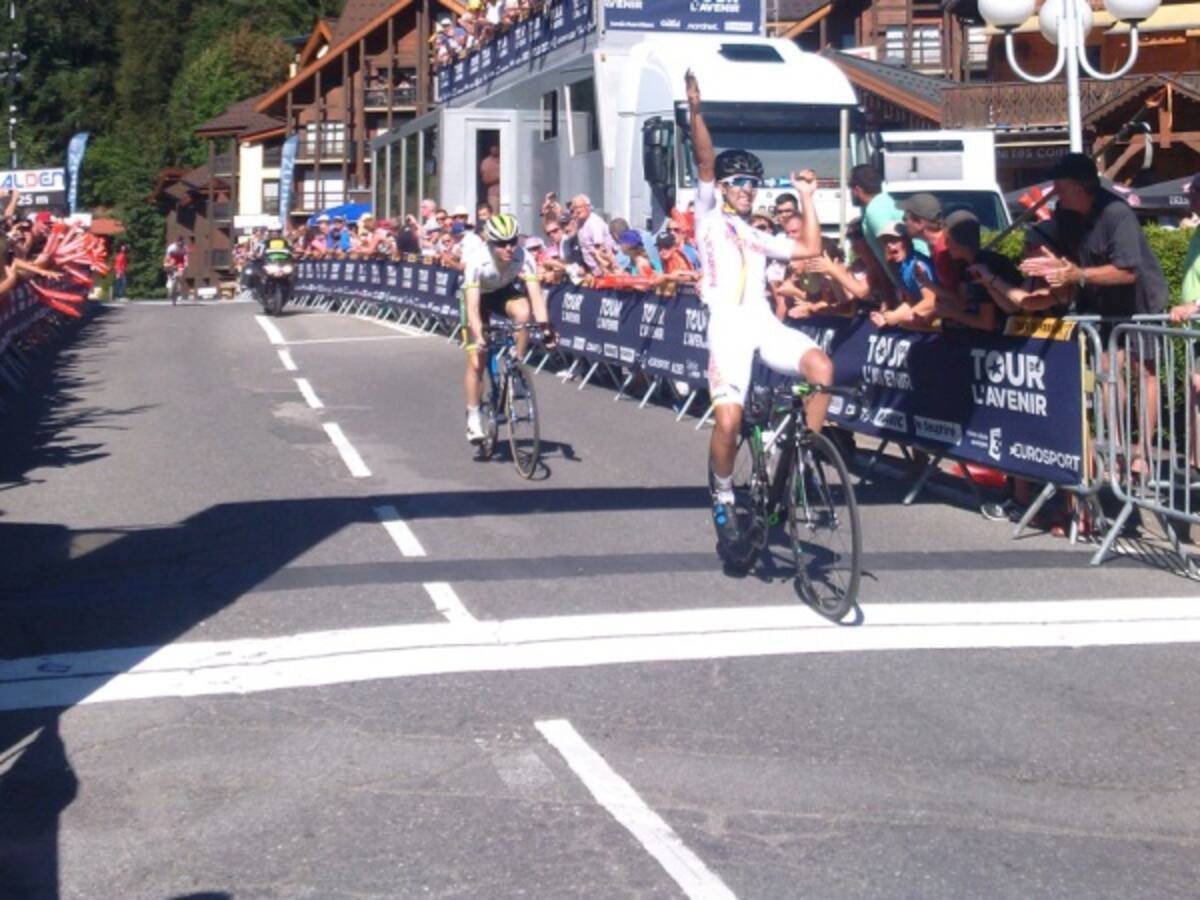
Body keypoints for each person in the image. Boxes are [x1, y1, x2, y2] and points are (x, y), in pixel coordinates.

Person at [693, 144, 830, 560]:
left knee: (821, 368)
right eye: (740, 183)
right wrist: (695, 109)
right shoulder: (708, 218)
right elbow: (703, 158)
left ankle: (795, 463)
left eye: (755, 184)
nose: (749, 190)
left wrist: (807, 197)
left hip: (763, 322)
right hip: (727, 326)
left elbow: (809, 250)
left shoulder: (756, 235)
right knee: (730, 420)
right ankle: (722, 493)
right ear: (722, 187)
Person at [1021, 152, 1169, 479]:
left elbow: (1128, 271)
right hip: (1102, 304)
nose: (1054, 190)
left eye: (1059, 183)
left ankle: (1142, 453)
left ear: (1079, 186)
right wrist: (1049, 263)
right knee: (1105, 370)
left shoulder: (1117, 213)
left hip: (1141, 302)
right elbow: (1059, 253)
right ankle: (1116, 448)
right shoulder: (1067, 214)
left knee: (1143, 371)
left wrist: (1078, 276)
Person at [461, 213, 557, 443]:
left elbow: (536, 297)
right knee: (477, 360)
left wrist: (546, 329)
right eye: (502, 244)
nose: (509, 248)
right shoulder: (477, 260)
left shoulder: (524, 257)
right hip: (477, 299)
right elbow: (472, 309)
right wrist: (480, 336)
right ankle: (473, 418)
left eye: (513, 241)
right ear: (491, 243)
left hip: (502, 292)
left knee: (524, 311)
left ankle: (516, 364)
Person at [868, 222, 938, 328]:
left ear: (907, 241)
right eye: (885, 242)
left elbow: (931, 301)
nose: (889, 245)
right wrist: (887, 318)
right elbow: (912, 301)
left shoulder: (918, 264)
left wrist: (897, 317)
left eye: (894, 240)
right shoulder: (900, 267)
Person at [569, 194, 616, 274]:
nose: (577, 211)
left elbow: (600, 249)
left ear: (588, 207)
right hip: (594, 271)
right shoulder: (581, 222)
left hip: (605, 270)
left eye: (579, 207)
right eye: (574, 208)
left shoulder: (594, 223)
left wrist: (605, 269)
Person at [163, 236, 189, 302]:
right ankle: (170, 280)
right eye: (178, 244)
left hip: (180, 260)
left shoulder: (185, 248)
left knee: (180, 274)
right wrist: (166, 264)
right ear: (176, 243)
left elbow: (185, 257)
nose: (180, 245)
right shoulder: (171, 247)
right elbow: (167, 257)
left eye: (181, 244)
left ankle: (178, 290)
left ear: (183, 243)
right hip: (172, 258)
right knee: (169, 268)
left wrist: (186, 263)